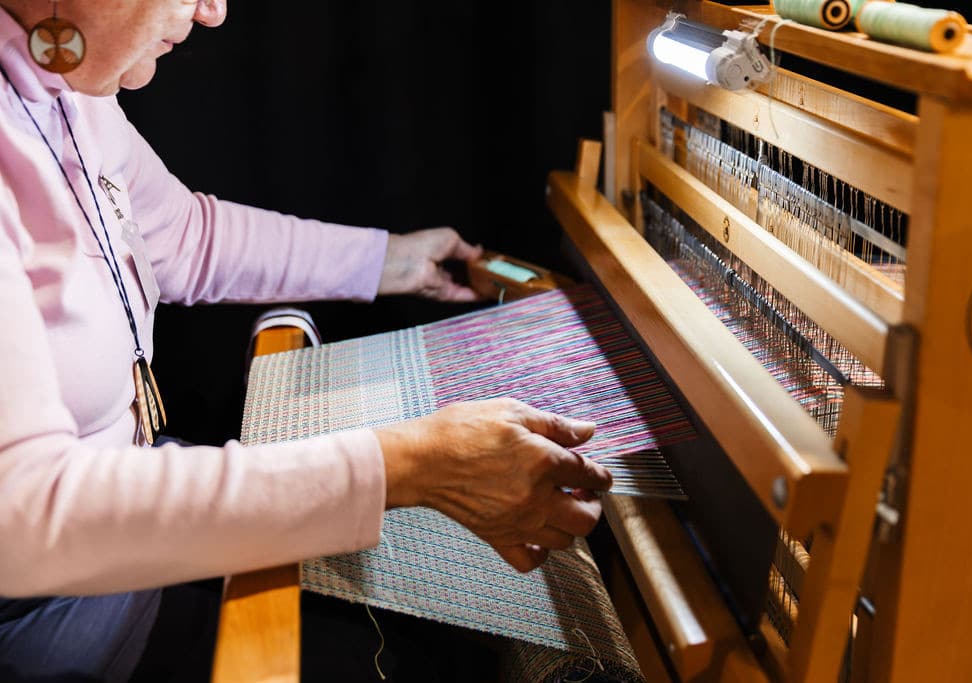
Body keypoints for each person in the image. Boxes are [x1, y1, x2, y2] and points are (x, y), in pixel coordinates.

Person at [0, 0, 613, 680]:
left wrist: (392, 261)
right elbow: (25, 516)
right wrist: (406, 466)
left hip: (133, 576)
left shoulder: (59, 87)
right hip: (68, 642)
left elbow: (180, 237)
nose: (213, 11)